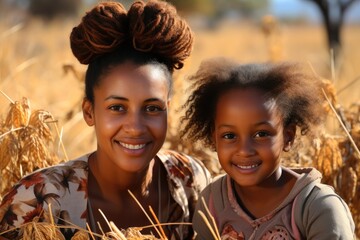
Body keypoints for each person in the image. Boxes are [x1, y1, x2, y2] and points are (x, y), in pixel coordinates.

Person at [0, 1, 211, 239]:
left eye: (152, 108)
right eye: (117, 107)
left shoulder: (189, 179)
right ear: (89, 112)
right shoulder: (38, 200)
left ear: (168, 110)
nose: (135, 127)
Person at [180, 58, 355, 239]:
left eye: (261, 134)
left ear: (288, 136)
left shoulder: (317, 208)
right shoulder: (213, 202)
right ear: (214, 137)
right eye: (229, 136)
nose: (245, 150)